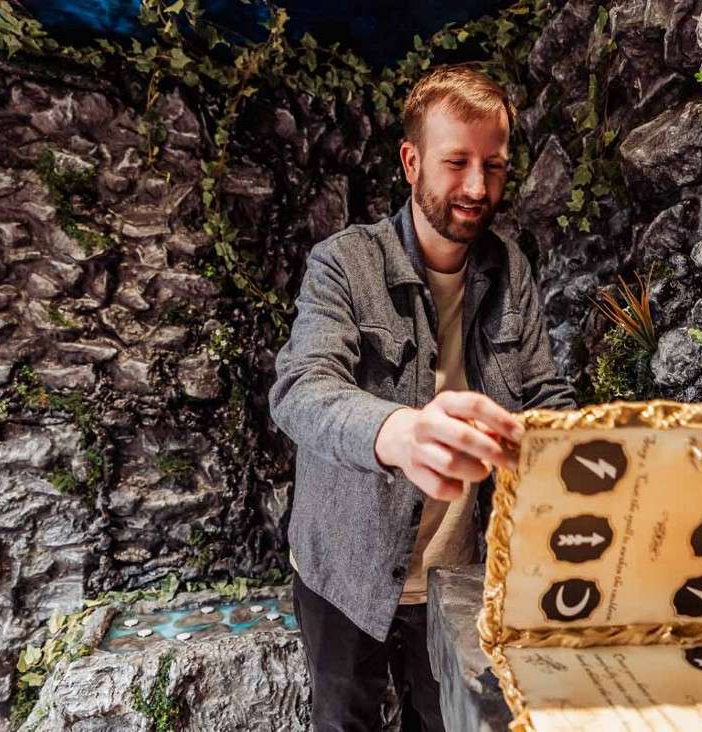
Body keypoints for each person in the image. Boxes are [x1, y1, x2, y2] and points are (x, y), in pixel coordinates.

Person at [268, 64, 577, 731]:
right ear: (411, 162)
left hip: (461, 576)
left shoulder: (510, 265)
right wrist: (400, 433)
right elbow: (302, 387)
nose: (477, 187)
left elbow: (546, 393)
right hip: (346, 569)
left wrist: (584, 447)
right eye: (456, 162)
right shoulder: (344, 263)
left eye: (493, 166)